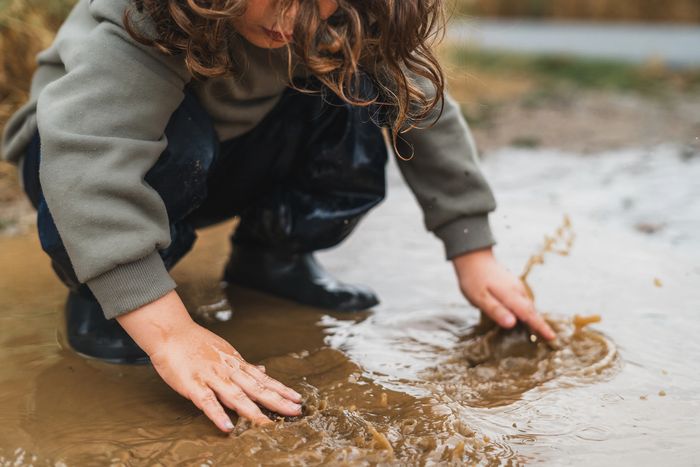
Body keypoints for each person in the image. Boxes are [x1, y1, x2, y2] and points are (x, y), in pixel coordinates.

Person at [1, 0, 556, 432]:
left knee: (360, 83)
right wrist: (168, 331)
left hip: (224, 160)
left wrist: (474, 253)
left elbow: (424, 108)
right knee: (177, 140)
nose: (296, 21)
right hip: (75, 167)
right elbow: (88, 159)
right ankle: (110, 297)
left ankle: (273, 257)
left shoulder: (335, 19)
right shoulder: (149, 16)